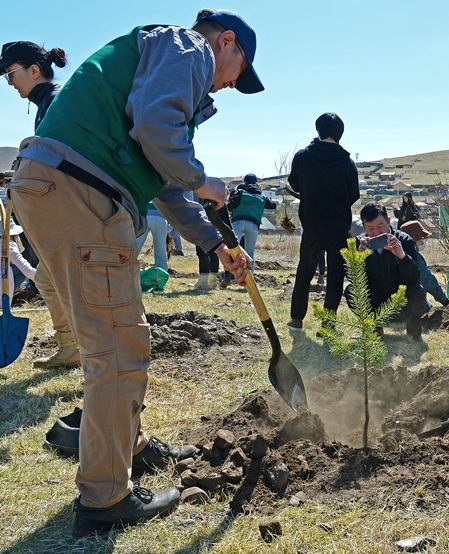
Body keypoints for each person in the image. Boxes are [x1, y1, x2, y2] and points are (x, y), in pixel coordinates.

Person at [6, 8, 259, 535]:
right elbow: (158, 133)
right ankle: (104, 499)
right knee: (119, 348)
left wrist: (216, 245)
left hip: (58, 190)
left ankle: (130, 447)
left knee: (113, 335)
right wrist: (203, 179)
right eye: (239, 71)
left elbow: (165, 185)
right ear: (226, 42)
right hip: (82, 193)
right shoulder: (188, 48)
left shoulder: (161, 63)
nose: (231, 85)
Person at [0, 40, 80, 369]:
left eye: (11, 74)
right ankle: (70, 348)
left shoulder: (58, 101)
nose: (8, 82)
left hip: (76, 213)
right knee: (46, 281)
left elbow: (67, 159)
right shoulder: (48, 102)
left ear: (34, 70)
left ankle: (100, 354)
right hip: (65, 211)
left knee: (83, 288)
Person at [286, 113, 360, 332]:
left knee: (305, 271)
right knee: (336, 276)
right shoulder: (347, 162)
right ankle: (327, 325)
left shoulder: (303, 156)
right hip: (339, 227)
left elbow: (294, 184)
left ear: (318, 129)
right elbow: (353, 195)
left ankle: (296, 319)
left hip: (312, 224)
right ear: (340, 132)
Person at [350, 202, 429, 341]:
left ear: (388, 221)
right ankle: (373, 330)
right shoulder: (359, 244)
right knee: (351, 291)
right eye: (370, 228)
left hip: (401, 295)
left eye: (380, 226)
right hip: (375, 297)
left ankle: (414, 334)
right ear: (363, 227)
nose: (376, 233)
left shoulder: (404, 240)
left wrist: (402, 256)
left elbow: (414, 278)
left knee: (417, 290)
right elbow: (354, 279)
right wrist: (358, 258)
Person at [219, 173, 276, 287]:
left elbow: (230, 206)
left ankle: (227, 277)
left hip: (237, 222)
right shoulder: (262, 196)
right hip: (253, 224)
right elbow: (272, 206)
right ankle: (250, 282)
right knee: (250, 253)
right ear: (256, 183)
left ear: (244, 182)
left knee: (232, 249)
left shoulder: (240, 192)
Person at [400, 220, 449, 312]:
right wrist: (446, 303)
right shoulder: (413, 257)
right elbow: (428, 281)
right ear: (414, 240)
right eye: (421, 239)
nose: (423, 242)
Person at [2, 219, 37, 303]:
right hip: (2, 295)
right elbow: (26, 269)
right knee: (21, 269)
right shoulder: (9, 246)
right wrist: (44, 278)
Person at [135, 201, 169, 272]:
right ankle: (162, 272)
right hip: (160, 218)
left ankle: (127, 266)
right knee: (160, 248)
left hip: (145, 217)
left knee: (136, 246)